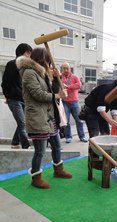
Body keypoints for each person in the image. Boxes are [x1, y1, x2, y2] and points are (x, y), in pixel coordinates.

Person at [16, 47, 72, 189]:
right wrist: (58, 96)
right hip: (37, 117)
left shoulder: (42, 73)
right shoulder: (28, 73)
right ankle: (36, 177)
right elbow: (38, 94)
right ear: (42, 59)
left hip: (49, 116)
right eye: (47, 60)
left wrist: (56, 79)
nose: (48, 63)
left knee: (57, 146)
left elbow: (52, 90)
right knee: (40, 151)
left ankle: (58, 170)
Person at [1, 43, 32, 149]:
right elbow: (5, 82)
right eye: (27, 53)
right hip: (14, 99)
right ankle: (25, 145)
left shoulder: (26, 66)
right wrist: (7, 95)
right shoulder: (12, 64)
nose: (29, 55)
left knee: (22, 123)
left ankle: (15, 142)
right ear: (20, 52)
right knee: (22, 123)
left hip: (23, 98)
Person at [61, 63, 87, 143]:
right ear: (62, 69)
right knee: (67, 121)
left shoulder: (74, 77)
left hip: (74, 102)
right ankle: (68, 137)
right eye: (64, 68)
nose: (66, 70)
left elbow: (78, 85)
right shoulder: (59, 77)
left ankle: (82, 136)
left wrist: (68, 87)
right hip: (64, 102)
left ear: (70, 69)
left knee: (79, 120)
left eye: (67, 68)